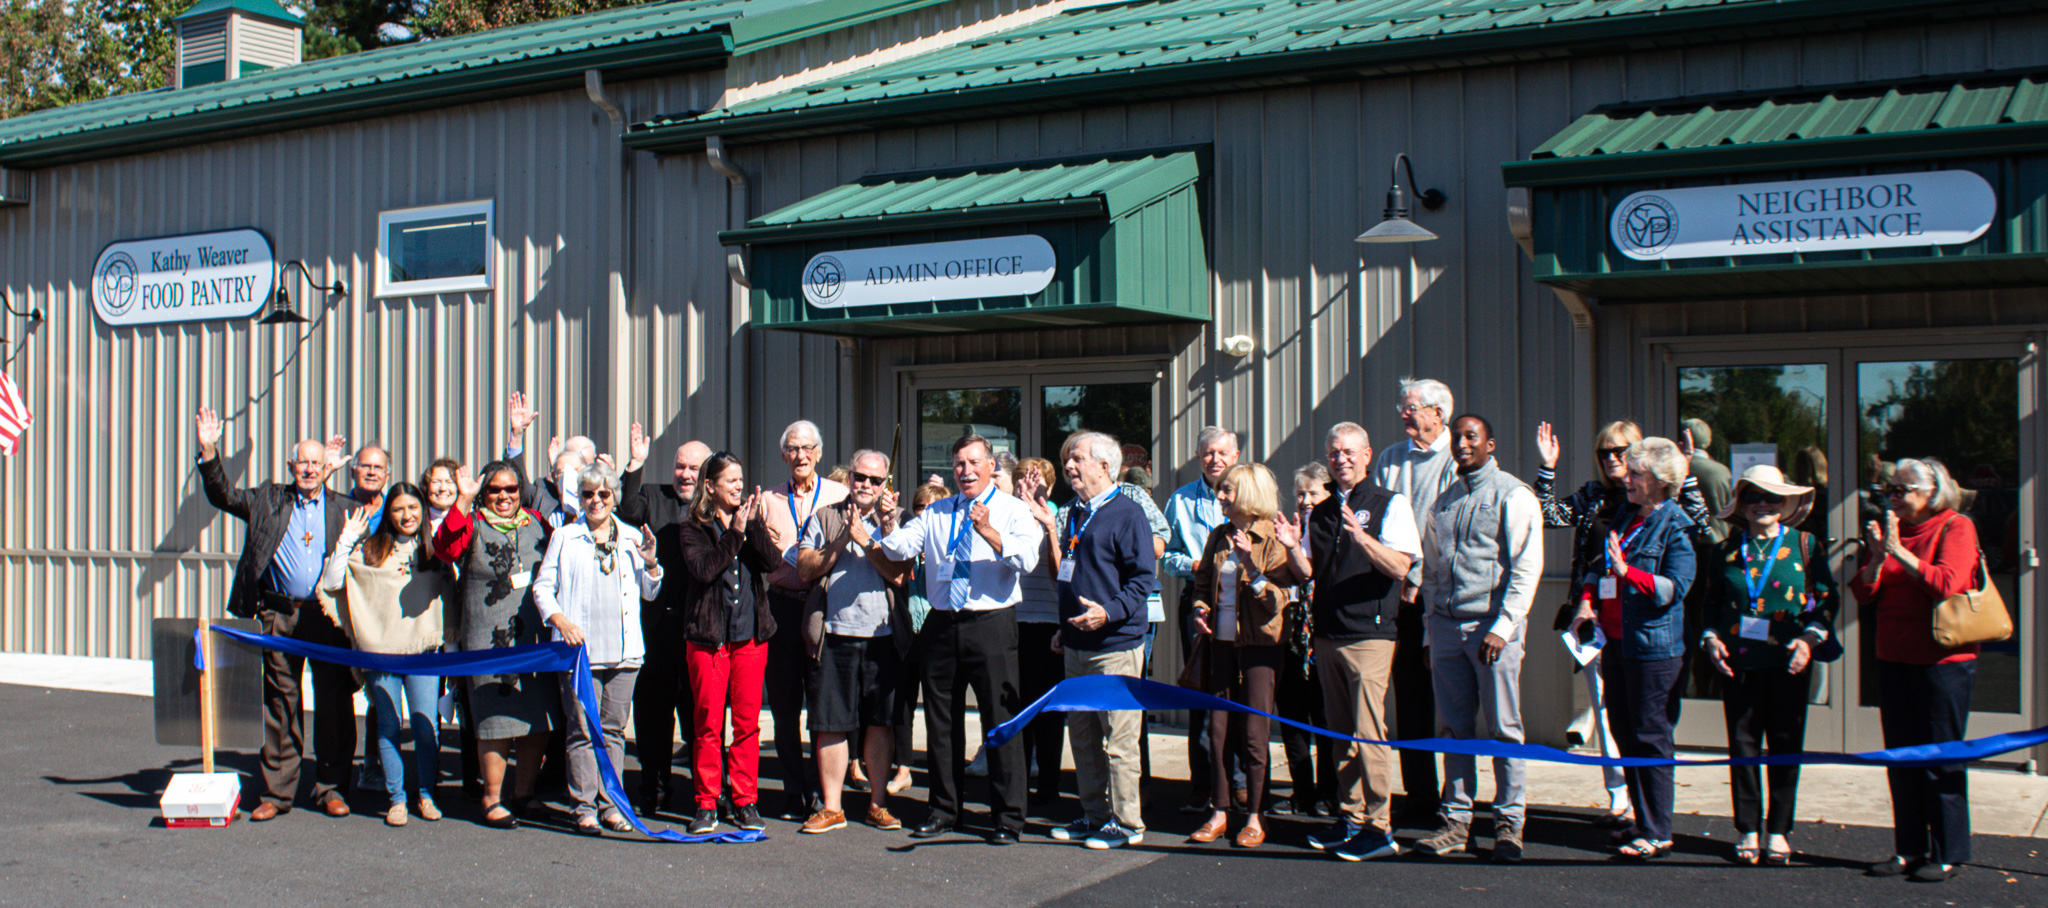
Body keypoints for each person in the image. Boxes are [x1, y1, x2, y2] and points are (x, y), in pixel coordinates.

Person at [1534, 419, 1713, 828]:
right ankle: (1623, 798)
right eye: (1606, 454)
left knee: (1650, 729)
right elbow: (1550, 517)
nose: (1615, 462)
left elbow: (1696, 538)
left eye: (1623, 455)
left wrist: (1683, 475)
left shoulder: (1670, 517)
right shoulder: (1602, 501)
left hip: (1651, 633)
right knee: (1612, 717)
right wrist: (1547, 468)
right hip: (1599, 627)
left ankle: (1651, 820)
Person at [193, 407, 361, 821]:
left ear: (327, 468)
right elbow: (223, 495)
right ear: (291, 465)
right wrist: (209, 448)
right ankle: (278, 792)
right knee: (281, 702)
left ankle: (331, 788)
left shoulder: (344, 506)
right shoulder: (268, 499)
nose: (308, 469)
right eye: (302, 462)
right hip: (278, 617)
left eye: (316, 463)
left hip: (327, 618)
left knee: (333, 702)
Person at [875, 434, 1042, 844]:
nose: (965, 471)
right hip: (942, 623)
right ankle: (945, 809)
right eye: (959, 464)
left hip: (991, 624)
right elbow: (898, 548)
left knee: (1000, 721)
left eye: (973, 463)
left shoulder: (1013, 510)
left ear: (991, 467)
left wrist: (987, 530)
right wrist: (886, 521)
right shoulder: (938, 512)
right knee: (942, 722)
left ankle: (1007, 817)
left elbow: (1028, 559)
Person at [1415, 414, 1542, 862]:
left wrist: (1503, 627)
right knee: (1454, 730)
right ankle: (1456, 822)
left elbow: (1526, 568)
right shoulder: (1444, 501)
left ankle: (1509, 824)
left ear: (1490, 443)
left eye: (1472, 436)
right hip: (1447, 630)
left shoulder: (1513, 493)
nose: (1463, 444)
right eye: (1458, 437)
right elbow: (1431, 572)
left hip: (1492, 632)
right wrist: (1432, 633)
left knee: (1505, 730)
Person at [1567, 436, 1696, 861]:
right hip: (1615, 642)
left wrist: (1629, 572)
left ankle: (1658, 830)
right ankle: (1641, 822)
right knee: (1624, 732)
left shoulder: (1675, 524)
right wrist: (1588, 601)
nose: (1628, 478)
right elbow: (1596, 566)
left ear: (1660, 481)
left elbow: (1673, 589)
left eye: (1637, 473)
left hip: (1653, 649)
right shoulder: (1624, 514)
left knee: (1650, 736)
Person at [1700, 464, 1837, 866]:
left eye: (1771, 497)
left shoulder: (1805, 545)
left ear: (1785, 504)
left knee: (1783, 744)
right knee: (1742, 746)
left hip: (1789, 661)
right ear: (1740, 504)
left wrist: (1810, 639)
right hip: (1738, 662)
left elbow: (1828, 600)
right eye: (1753, 496)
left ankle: (1777, 830)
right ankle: (1747, 829)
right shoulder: (1725, 549)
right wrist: (1710, 640)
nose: (1762, 504)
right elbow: (1710, 604)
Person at [1852, 458, 1981, 883]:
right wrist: (1875, 558)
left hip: (1942, 661)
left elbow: (1948, 583)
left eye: (1902, 490)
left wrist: (1898, 553)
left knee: (1941, 758)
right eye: (1890, 489)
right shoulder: (1892, 533)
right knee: (1902, 757)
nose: (1893, 497)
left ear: (1932, 492)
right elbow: (1863, 592)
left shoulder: (1954, 526)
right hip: (1893, 656)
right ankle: (1908, 848)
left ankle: (1947, 852)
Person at [1297, 424, 1422, 861]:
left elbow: (1401, 567)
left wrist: (1363, 537)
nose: (1341, 459)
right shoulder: (1323, 509)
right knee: (1339, 735)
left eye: (1349, 452)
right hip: (1328, 634)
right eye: (1334, 453)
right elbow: (1308, 572)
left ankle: (1380, 827)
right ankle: (1351, 819)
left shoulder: (1390, 504)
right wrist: (1292, 547)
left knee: (1370, 735)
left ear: (1367, 455)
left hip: (1369, 635)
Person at [533, 461, 664, 836]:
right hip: (579, 652)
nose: (596, 501)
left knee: (613, 731)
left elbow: (650, 591)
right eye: (588, 494)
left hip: (624, 652)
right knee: (580, 730)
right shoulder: (565, 536)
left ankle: (612, 804)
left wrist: (652, 563)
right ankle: (583, 806)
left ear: (614, 497)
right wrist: (560, 620)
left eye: (603, 494)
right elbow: (543, 588)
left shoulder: (632, 536)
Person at [433, 460, 561, 830]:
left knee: (538, 716)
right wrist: (463, 501)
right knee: (494, 720)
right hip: (488, 639)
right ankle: (492, 797)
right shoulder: (472, 524)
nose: (504, 496)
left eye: (511, 489)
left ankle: (524, 792)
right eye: (495, 490)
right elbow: (444, 549)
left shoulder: (537, 521)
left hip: (533, 639)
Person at [1045, 432, 1156, 850]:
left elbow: (1144, 579)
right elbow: (1073, 574)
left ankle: (1127, 823)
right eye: (1068, 459)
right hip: (1076, 643)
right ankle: (1094, 815)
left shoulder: (1127, 513)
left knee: (1119, 740)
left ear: (1104, 466)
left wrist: (1107, 612)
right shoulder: (1075, 512)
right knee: (1084, 736)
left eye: (1076, 459)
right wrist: (1065, 625)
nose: (1068, 467)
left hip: (1115, 646)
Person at [319, 483, 453, 826]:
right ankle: (396, 799)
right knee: (389, 726)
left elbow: (452, 596)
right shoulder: (370, 551)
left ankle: (426, 794)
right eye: (398, 509)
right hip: (380, 655)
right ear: (388, 514)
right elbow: (333, 582)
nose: (406, 515)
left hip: (422, 652)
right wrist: (347, 538)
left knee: (426, 727)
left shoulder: (433, 552)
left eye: (413, 508)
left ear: (422, 511)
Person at [796, 449, 914, 833]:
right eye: (859, 477)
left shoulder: (895, 522)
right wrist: (840, 540)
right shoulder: (826, 516)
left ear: (886, 484)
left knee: (880, 723)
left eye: (874, 480)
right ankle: (832, 808)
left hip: (882, 637)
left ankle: (878, 803)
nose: (865, 485)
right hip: (834, 635)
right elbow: (804, 569)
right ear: (849, 478)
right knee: (831, 724)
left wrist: (867, 540)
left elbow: (901, 575)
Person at [1187, 462, 1303, 850]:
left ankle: (1255, 815)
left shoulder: (1273, 537)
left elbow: (1277, 602)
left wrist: (1252, 569)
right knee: (1217, 731)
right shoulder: (1219, 535)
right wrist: (1200, 610)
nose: (1219, 497)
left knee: (1254, 733)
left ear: (1249, 494)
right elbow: (1202, 585)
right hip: (1219, 645)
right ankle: (1219, 811)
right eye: (1220, 490)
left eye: (1227, 491)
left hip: (1259, 647)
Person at [677, 452, 781, 835]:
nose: (739, 485)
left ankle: (744, 800)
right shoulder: (692, 527)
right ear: (710, 486)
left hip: (749, 637)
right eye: (731, 480)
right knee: (707, 724)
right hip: (709, 640)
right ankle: (706, 802)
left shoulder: (748, 521)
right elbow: (704, 569)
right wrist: (734, 532)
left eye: (741, 479)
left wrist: (752, 526)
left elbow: (772, 562)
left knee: (747, 724)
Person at [619, 427, 713, 816]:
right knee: (652, 714)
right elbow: (626, 509)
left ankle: (704, 792)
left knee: (699, 716)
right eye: (679, 466)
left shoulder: (715, 506)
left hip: (701, 629)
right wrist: (636, 463)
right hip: (657, 628)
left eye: (694, 468)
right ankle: (652, 786)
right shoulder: (654, 497)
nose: (685, 474)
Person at [1374, 378, 1456, 823]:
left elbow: (1447, 531)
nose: (1403, 414)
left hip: (1439, 594)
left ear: (1437, 413)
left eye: (1411, 407)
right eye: (1402, 407)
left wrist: (1418, 579)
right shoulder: (1390, 459)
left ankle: (1456, 799)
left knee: (1453, 700)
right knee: (1410, 697)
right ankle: (1420, 795)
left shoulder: (1456, 460)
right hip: (1399, 595)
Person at [762, 420, 848, 819]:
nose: (801, 455)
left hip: (822, 605)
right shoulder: (767, 500)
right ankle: (793, 789)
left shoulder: (839, 495)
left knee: (822, 703)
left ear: (819, 452)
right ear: (784, 455)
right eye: (793, 448)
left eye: (807, 448)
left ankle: (820, 790)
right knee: (783, 706)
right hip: (780, 605)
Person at [1162, 426, 1240, 813]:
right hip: (1198, 601)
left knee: (1239, 691)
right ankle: (1202, 785)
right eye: (1208, 453)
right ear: (1199, 457)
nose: (1215, 460)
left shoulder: (1249, 492)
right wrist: (1196, 564)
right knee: (1200, 689)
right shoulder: (1180, 500)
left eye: (1223, 452)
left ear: (1236, 455)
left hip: (1245, 603)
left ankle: (1239, 783)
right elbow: (1166, 555)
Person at [1277, 463, 1337, 818]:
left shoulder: (1332, 530)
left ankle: (1329, 794)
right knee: (1292, 717)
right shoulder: (1288, 529)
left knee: (1326, 719)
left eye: (1314, 492)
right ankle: (1301, 791)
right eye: (1301, 493)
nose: (1306, 500)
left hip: (1322, 639)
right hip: (1289, 640)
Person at [1012, 456, 1067, 804]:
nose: (1030, 487)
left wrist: (1044, 523)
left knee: (1048, 713)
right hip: (1012, 622)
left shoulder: (1059, 517)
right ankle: (1016, 787)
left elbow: (1059, 571)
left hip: (1049, 623)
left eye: (1038, 482)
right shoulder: (1004, 513)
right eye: (1023, 481)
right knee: (1018, 710)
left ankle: (1048, 786)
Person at [1680, 417, 1732, 544]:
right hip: (1719, 540)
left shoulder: (1679, 470)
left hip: (1686, 540)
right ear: (1709, 441)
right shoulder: (1722, 471)